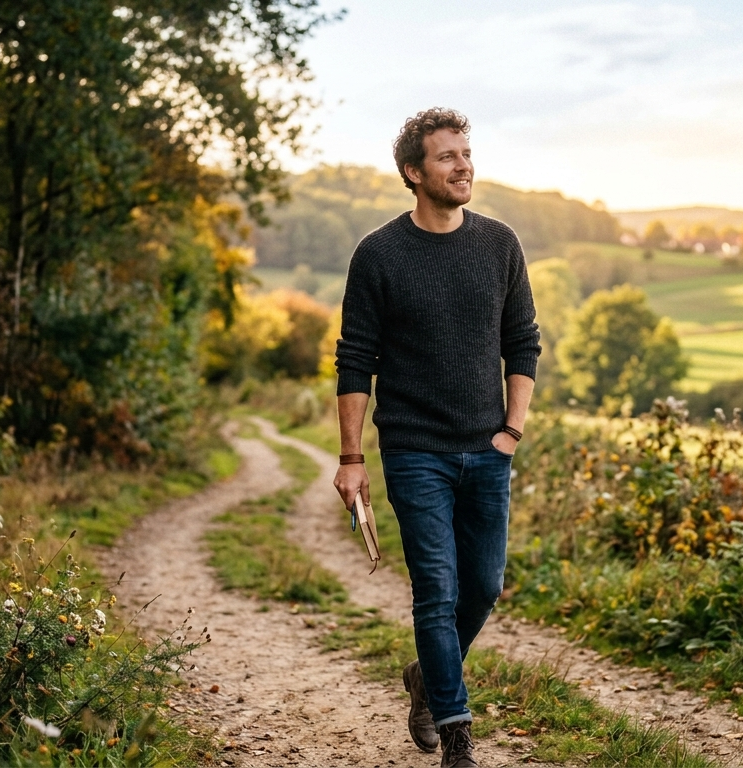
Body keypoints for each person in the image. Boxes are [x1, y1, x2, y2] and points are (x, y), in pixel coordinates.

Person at [332, 107, 541, 768]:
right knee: (437, 589)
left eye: (466, 153)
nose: (463, 166)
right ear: (412, 173)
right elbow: (353, 360)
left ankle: (426, 678)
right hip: (414, 451)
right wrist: (351, 457)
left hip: (488, 450)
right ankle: (456, 735)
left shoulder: (500, 244)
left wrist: (511, 430)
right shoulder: (379, 255)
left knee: (483, 586)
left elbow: (523, 344)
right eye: (447, 156)